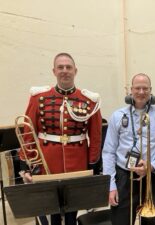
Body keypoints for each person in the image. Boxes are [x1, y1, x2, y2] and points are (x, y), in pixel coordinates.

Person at [19, 52, 102, 225]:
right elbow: (28, 131)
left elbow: (95, 137)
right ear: (54, 71)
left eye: (68, 67)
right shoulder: (38, 98)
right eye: (60, 67)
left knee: (73, 207)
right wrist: (26, 164)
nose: (65, 71)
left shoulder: (89, 101)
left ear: (75, 71)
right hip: (47, 161)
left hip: (77, 162)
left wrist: (93, 164)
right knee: (49, 209)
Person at [102, 73, 155, 225]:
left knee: (150, 221)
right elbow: (108, 152)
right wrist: (111, 186)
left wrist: (151, 166)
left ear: (151, 91)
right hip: (124, 176)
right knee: (121, 221)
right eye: (137, 88)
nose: (141, 92)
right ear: (130, 90)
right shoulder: (117, 116)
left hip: (152, 177)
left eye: (145, 88)